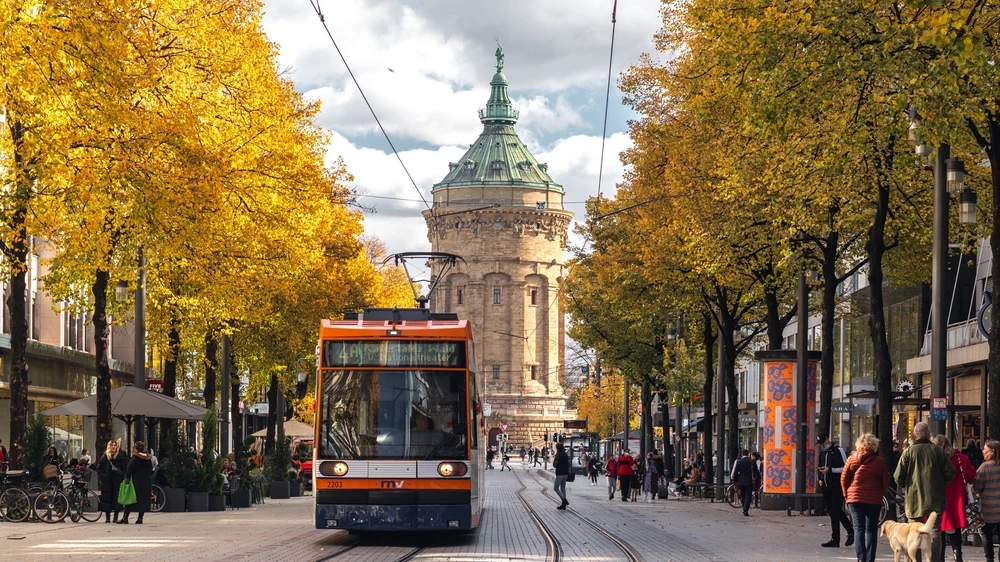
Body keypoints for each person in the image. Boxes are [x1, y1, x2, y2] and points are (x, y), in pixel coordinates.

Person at [894, 422, 955, 562]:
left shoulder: (908, 452)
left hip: (913, 499)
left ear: (915, 435)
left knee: (913, 532)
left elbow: (898, 477)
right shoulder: (937, 451)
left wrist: (907, 486)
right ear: (928, 434)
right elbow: (950, 472)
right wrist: (940, 484)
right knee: (934, 532)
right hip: (935, 497)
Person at [841, 433, 889, 562]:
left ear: (859, 444)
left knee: (858, 529)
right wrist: (879, 493)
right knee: (872, 530)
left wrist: (847, 495)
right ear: (874, 445)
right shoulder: (880, 462)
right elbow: (885, 482)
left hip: (854, 500)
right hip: (874, 500)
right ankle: (870, 559)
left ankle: (861, 558)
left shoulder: (852, 459)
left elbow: (844, 479)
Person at [933, 434, 977, 561]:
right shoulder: (960, 458)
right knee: (955, 530)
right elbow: (971, 475)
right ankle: (958, 556)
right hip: (956, 499)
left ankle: (940, 558)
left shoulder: (934, 460)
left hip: (938, 498)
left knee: (938, 530)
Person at [818, 434, 854, 548]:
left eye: (823, 443)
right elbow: (820, 466)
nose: (822, 446)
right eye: (820, 444)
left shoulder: (838, 450)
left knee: (836, 510)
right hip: (825, 485)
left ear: (828, 440)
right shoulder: (822, 452)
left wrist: (830, 470)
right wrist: (820, 478)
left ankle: (850, 530)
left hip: (836, 485)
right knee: (831, 511)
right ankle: (835, 538)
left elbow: (845, 467)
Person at [974, 440, 1000, 562]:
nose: (983, 451)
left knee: (986, 534)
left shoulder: (984, 467)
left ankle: (989, 558)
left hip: (988, 508)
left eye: (985, 449)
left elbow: (976, 486)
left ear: (992, 452)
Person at [94, 439, 128, 523]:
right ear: (109, 446)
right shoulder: (105, 456)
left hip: (117, 481)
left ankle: (115, 516)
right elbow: (99, 468)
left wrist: (122, 476)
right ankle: (107, 517)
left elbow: (125, 468)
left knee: (116, 498)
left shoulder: (120, 456)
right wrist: (103, 477)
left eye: (114, 445)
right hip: (107, 481)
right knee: (107, 498)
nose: (113, 447)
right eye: (111, 445)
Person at [119, 441, 153, 525]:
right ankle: (140, 518)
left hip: (135, 482)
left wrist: (126, 478)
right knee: (143, 500)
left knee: (131, 499)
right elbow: (151, 469)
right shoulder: (148, 459)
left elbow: (129, 469)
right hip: (146, 482)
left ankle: (125, 517)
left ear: (135, 449)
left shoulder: (135, 458)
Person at [732, 449, 760, 516]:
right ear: (748, 454)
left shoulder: (739, 462)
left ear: (742, 454)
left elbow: (735, 473)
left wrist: (735, 482)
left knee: (743, 495)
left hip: (741, 481)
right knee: (748, 495)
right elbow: (756, 471)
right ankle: (745, 509)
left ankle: (744, 506)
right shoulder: (752, 461)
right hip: (749, 481)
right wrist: (759, 477)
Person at [553, 443, 570, 510]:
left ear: (557, 448)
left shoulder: (558, 454)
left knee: (556, 488)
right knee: (563, 488)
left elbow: (555, 465)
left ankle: (564, 500)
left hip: (560, 473)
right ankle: (563, 505)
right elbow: (568, 463)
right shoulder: (565, 454)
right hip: (566, 473)